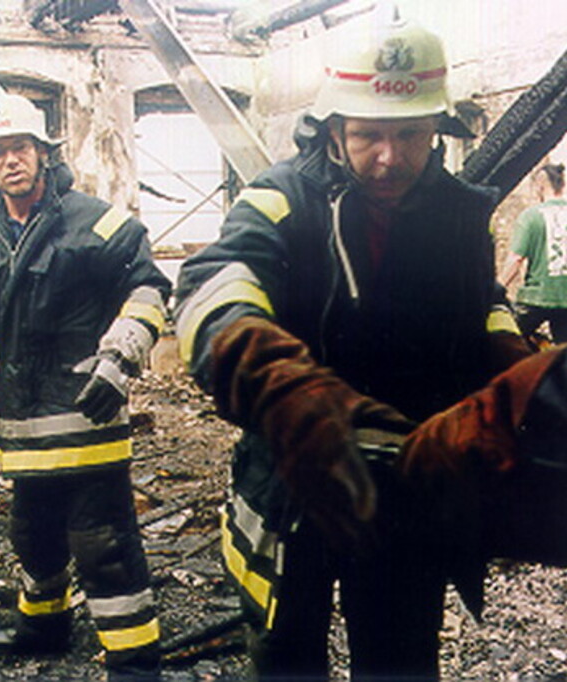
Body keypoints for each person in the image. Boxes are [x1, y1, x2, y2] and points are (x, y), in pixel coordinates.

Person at [174, 11, 536, 679]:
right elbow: (211, 287)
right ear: (334, 128)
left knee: (400, 658)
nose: (389, 157)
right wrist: (275, 379)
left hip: (407, 481)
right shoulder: (281, 200)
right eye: (368, 135)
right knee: (287, 661)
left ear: (439, 130)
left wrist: (511, 364)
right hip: (294, 480)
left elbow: (483, 301)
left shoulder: (460, 215)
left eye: (411, 135)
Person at [0, 84, 171, 680]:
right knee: (32, 538)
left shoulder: (98, 222)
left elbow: (148, 289)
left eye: (20, 147)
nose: (10, 160)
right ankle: (44, 628)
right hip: (23, 427)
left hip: (87, 419)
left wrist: (121, 356)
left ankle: (135, 663)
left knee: (103, 547)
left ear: (44, 151)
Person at [501, 163, 567, 343]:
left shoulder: (531, 216)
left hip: (536, 298)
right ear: (563, 184)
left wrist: (496, 290)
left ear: (540, 185)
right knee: (565, 356)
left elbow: (515, 260)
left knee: (507, 340)